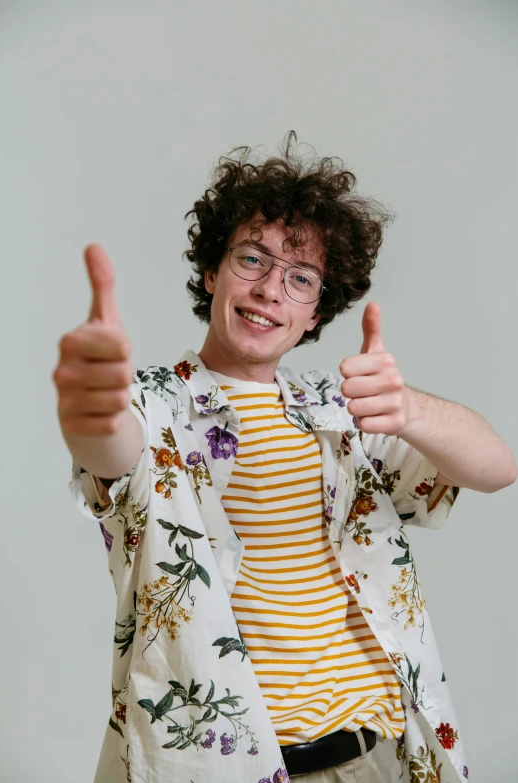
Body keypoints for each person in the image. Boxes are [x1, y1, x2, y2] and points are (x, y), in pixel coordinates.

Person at [53, 132, 516, 783]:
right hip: (223, 768)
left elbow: (497, 466)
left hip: (376, 758)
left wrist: (409, 408)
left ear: (314, 311)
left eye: (300, 277)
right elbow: (111, 449)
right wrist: (91, 410)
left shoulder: (344, 410)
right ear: (213, 271)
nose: (272, 288)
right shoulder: (154, 405)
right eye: (252, 259)